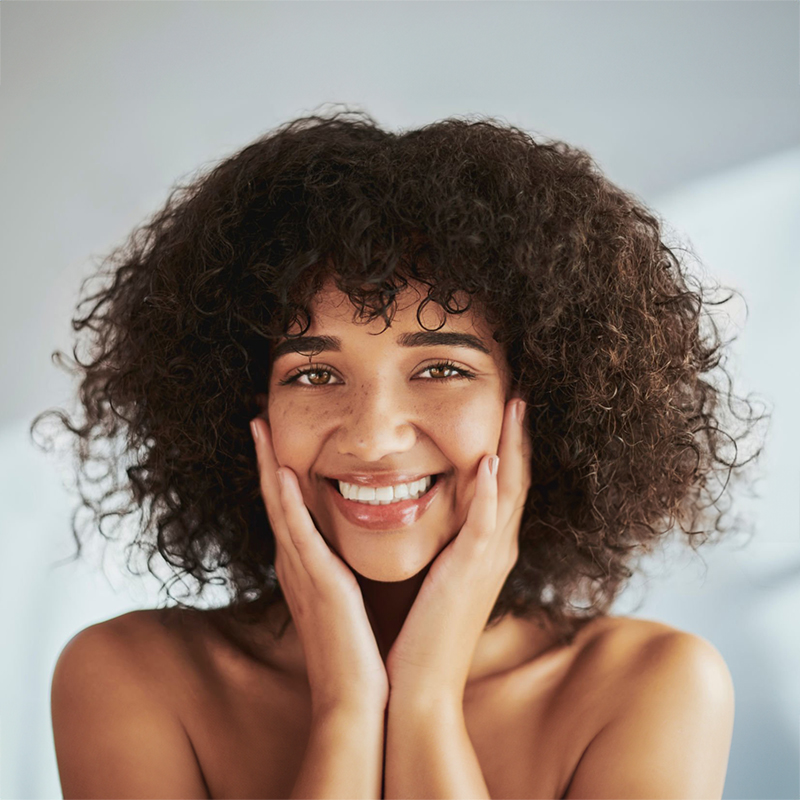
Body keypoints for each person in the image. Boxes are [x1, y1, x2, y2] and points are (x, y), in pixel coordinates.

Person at [37, 107, 765, 799]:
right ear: (244, 405)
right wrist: (348, 709)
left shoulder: (650, 688)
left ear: (543, 398)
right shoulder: (130, 679)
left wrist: (423, 702)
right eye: (314, 374)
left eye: (442, 369)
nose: (372, 437)